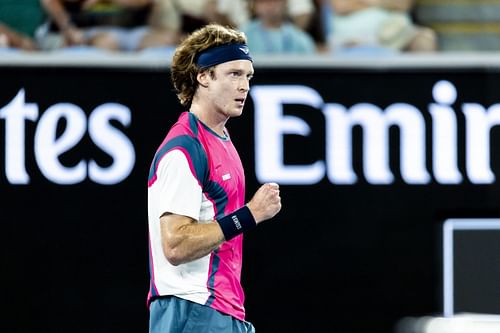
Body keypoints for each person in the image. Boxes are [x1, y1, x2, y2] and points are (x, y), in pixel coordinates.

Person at [146, 24, 282, 332]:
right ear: (203, 76)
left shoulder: (221, 139)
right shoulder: (185, 147)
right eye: (234, 74)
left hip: (221, 310)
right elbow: (176, 245)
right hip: (191, 309)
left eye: (248, 76)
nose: (245, 86)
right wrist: (250, 215)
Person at [326, 0, 437, 55]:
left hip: (396, 35)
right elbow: (341, 5)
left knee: (425, 39)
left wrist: (364, 3)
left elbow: (403, 4)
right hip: (352, 37)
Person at [39, 0, 156, 51]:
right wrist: (69, 29)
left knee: (165, 40)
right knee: (108, 41)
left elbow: (143, 2)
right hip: (87, 30)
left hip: (130, 30)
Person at [242, 0, 317, 54]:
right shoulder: (242, 37)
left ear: (285, 3)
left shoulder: (301, 40)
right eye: (263, 1)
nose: (270, 5)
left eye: (275, 1)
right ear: (255, 5)